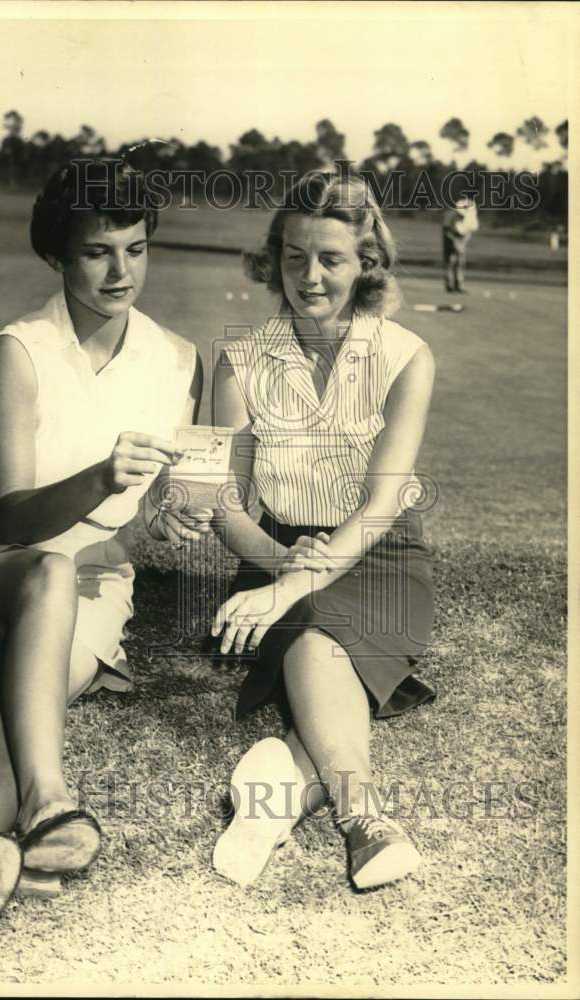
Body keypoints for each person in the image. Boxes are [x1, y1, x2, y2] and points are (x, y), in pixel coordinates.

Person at [0, 158, 208, 952]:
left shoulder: (178, 360)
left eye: (135, 249)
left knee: (16, 706)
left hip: (95, 569)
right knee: (49, 570)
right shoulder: (18, 352)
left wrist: (163, 519)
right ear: (59, 258)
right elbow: (8, 517)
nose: (119, 270)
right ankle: (50, 801)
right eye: (98, 251)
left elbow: (153, 508)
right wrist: (101, 476)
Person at [209, 171, 436, 891]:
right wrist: (280, 567)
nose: (310, 277)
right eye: (294, 257)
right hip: (274, 549)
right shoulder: (239, 360)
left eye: (330, 259)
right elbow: (224, 507)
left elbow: (378, 506)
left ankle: (287, 800)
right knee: (314, 639)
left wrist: (287, 591)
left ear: (364, 264)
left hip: (382, 555)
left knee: (311, 632)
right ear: (272, 259)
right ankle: (366, 821)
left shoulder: (406, 356)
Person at [442, 195, 478, 293]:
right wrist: (455, 243)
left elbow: (468, 232)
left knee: (460, 262)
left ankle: (459, 285)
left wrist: (462, 244)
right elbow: (446, 231)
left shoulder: (471, 215)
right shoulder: (450, 216)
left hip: (462, 238)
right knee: (451, 261)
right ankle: (449, 285)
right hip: (450, 237)